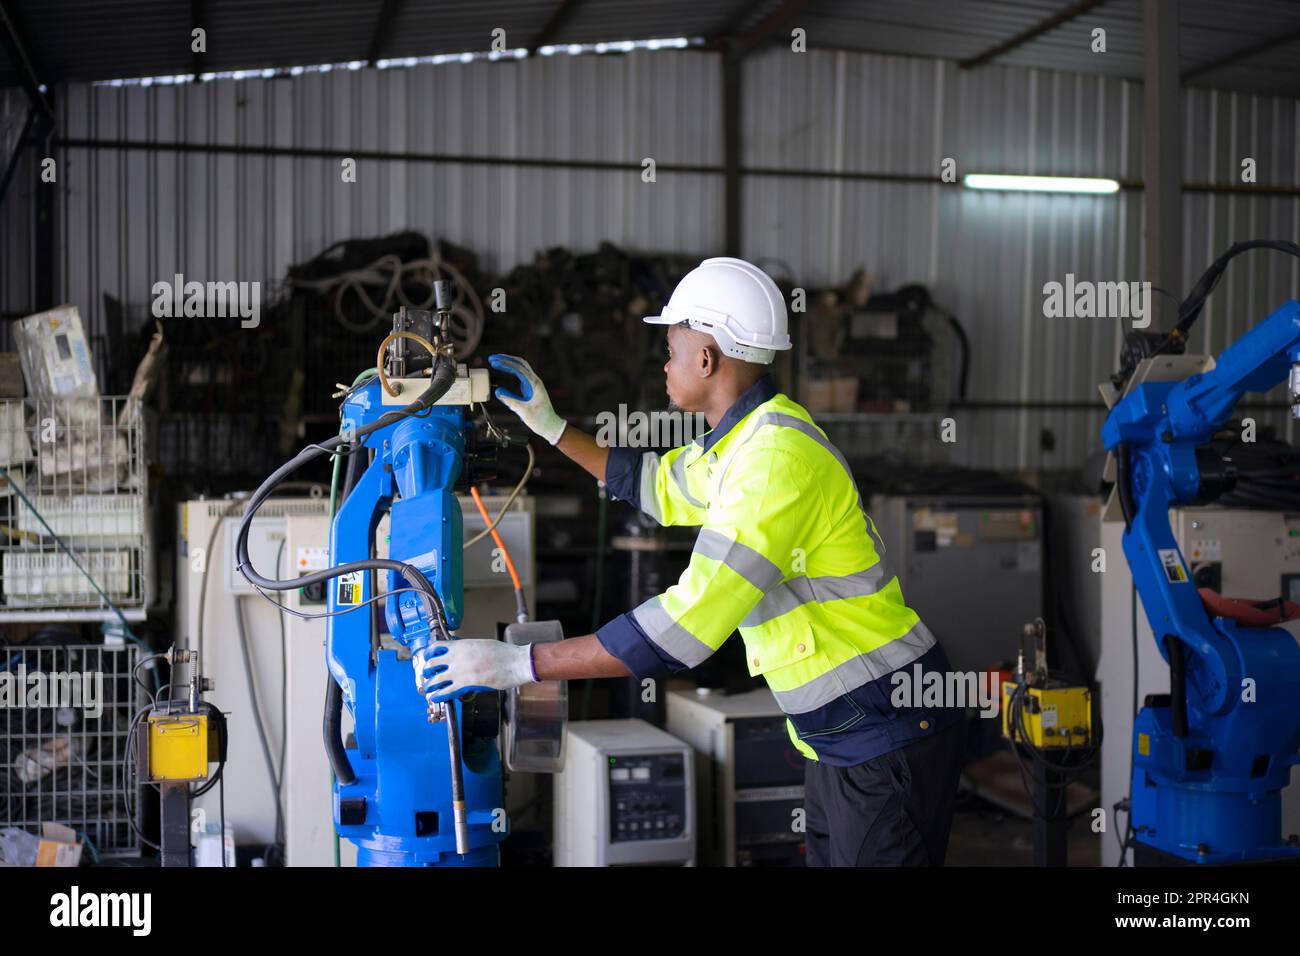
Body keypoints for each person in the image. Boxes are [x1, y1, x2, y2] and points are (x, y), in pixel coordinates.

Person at [416, 256, 963, 866]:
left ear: (707, 358)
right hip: (840, 735)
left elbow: (684, 630)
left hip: (883, 728)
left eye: (672, 347)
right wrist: (549, 426)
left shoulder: (772, 461)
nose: (665, 363)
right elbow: (657, 485)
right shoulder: (742, 441)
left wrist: (521, 664)